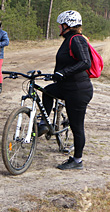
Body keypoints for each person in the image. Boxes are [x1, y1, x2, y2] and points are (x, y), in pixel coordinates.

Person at [39, 10, 93, 170]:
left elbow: (85, 62)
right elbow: (67, 62)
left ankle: (77, 161)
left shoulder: (77, 40)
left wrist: (64, 72)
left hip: (78, 90)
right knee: (48, 91)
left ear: (67, 25)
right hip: (67, 86)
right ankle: (44, 123)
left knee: (77, 127)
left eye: (60, 25)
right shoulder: (69, 40)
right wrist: (55, 75)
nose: (58, 28)